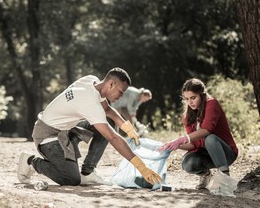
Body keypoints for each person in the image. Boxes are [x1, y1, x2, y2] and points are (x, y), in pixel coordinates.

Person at [16, 67, 162, 186]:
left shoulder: (91, 80)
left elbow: (107, 110)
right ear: (111, 84)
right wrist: (141, 167)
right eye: (121, 92)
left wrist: (129, 130)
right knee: (71, 179)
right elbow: (112, 137)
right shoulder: (89, 103)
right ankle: (31, 161)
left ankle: (87, 173)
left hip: (65, 128)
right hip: (47, 135)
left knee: (108, 121)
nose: (121, 96)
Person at [158, 78, 238, 189]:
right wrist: (174, 145)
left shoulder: (212, 104)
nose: (190, 102)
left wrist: (181, 139)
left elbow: (206, 130)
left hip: (226, 153)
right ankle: (206, 176)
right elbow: (194, 144)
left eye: (193, 98)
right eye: (187, 99)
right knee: (188, 163)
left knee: (210, 138)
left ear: (202, 95)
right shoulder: (187, 116)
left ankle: (225, 178)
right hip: (207, 155)